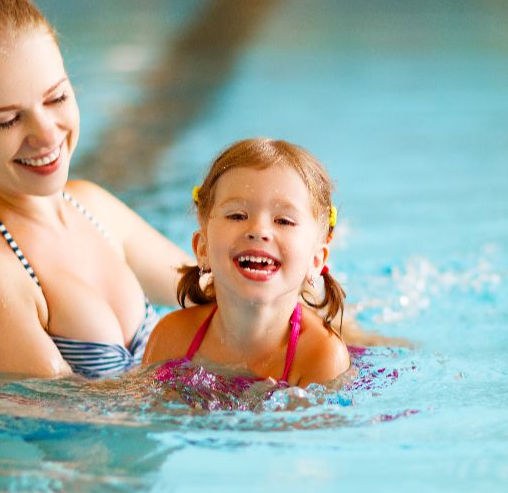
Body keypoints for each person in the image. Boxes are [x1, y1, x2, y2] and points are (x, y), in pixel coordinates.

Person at [0, 0, 190, 378]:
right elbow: (68, 417)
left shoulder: (92, 206)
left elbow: (212, 292)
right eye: (9, 120)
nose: (47, 133)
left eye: (57, 98)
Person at [142, 138, 351, 386]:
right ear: (203, 248)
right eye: (237, 215)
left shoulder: (320, 357)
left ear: (316, 260)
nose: (259, 230)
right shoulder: (173, 337)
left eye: (283, 221)